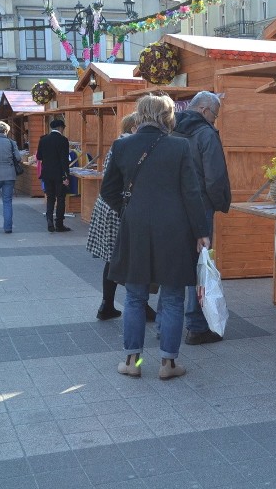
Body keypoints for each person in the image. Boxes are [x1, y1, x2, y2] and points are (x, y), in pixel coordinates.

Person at [101, 94, 210, 380]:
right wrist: (202, 232)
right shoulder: (180, 146)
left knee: (135, 297)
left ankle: (133, 362)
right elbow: (192, 193)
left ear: (139, 114)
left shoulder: (122, 145)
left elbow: (107, 190)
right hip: (174, 229)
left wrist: (128, 210)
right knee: (173, 298)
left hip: (134, 227)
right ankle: (168, 365)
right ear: (167, 116)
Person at [173, 91, 232, 345]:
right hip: (200, 207)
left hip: (173, 206)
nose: (215, 121)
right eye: (215, 115)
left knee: (174, 264)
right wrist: (220, 203)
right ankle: (196, 326)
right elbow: (215, 177)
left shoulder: (171, 129)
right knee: (201, 265)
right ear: (205, 110)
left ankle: (169, 325)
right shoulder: (206, 134)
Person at [88, 113, 141, 321]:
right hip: (117, 208)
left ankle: (107, 305)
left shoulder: (119, 143)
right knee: (121, 259)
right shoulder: (127, 145)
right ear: (134, 127)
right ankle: (136, 304)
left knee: (113, 259)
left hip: (108, 206)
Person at [37, 118, 72, 232]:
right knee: (61, 198)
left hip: (47, 173)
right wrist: (66, 176)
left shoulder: (43, 139)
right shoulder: (63, 140)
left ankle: (49, 221)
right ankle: (59, 224)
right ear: (61, 128)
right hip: (59, 174)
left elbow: (39, 157)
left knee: (50, 197)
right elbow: (64, 160)